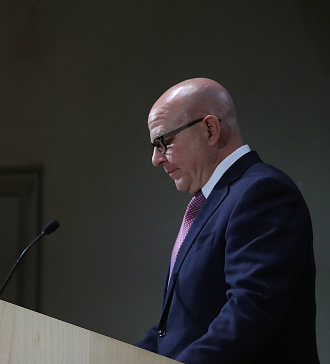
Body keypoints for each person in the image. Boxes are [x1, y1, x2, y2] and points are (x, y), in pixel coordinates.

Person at [136, 78, 319, 363]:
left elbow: (251, 310)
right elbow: (176, 329)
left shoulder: (263, 193)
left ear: (210, 130)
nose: (156, 159)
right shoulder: (208, 203)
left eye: (164, 142)